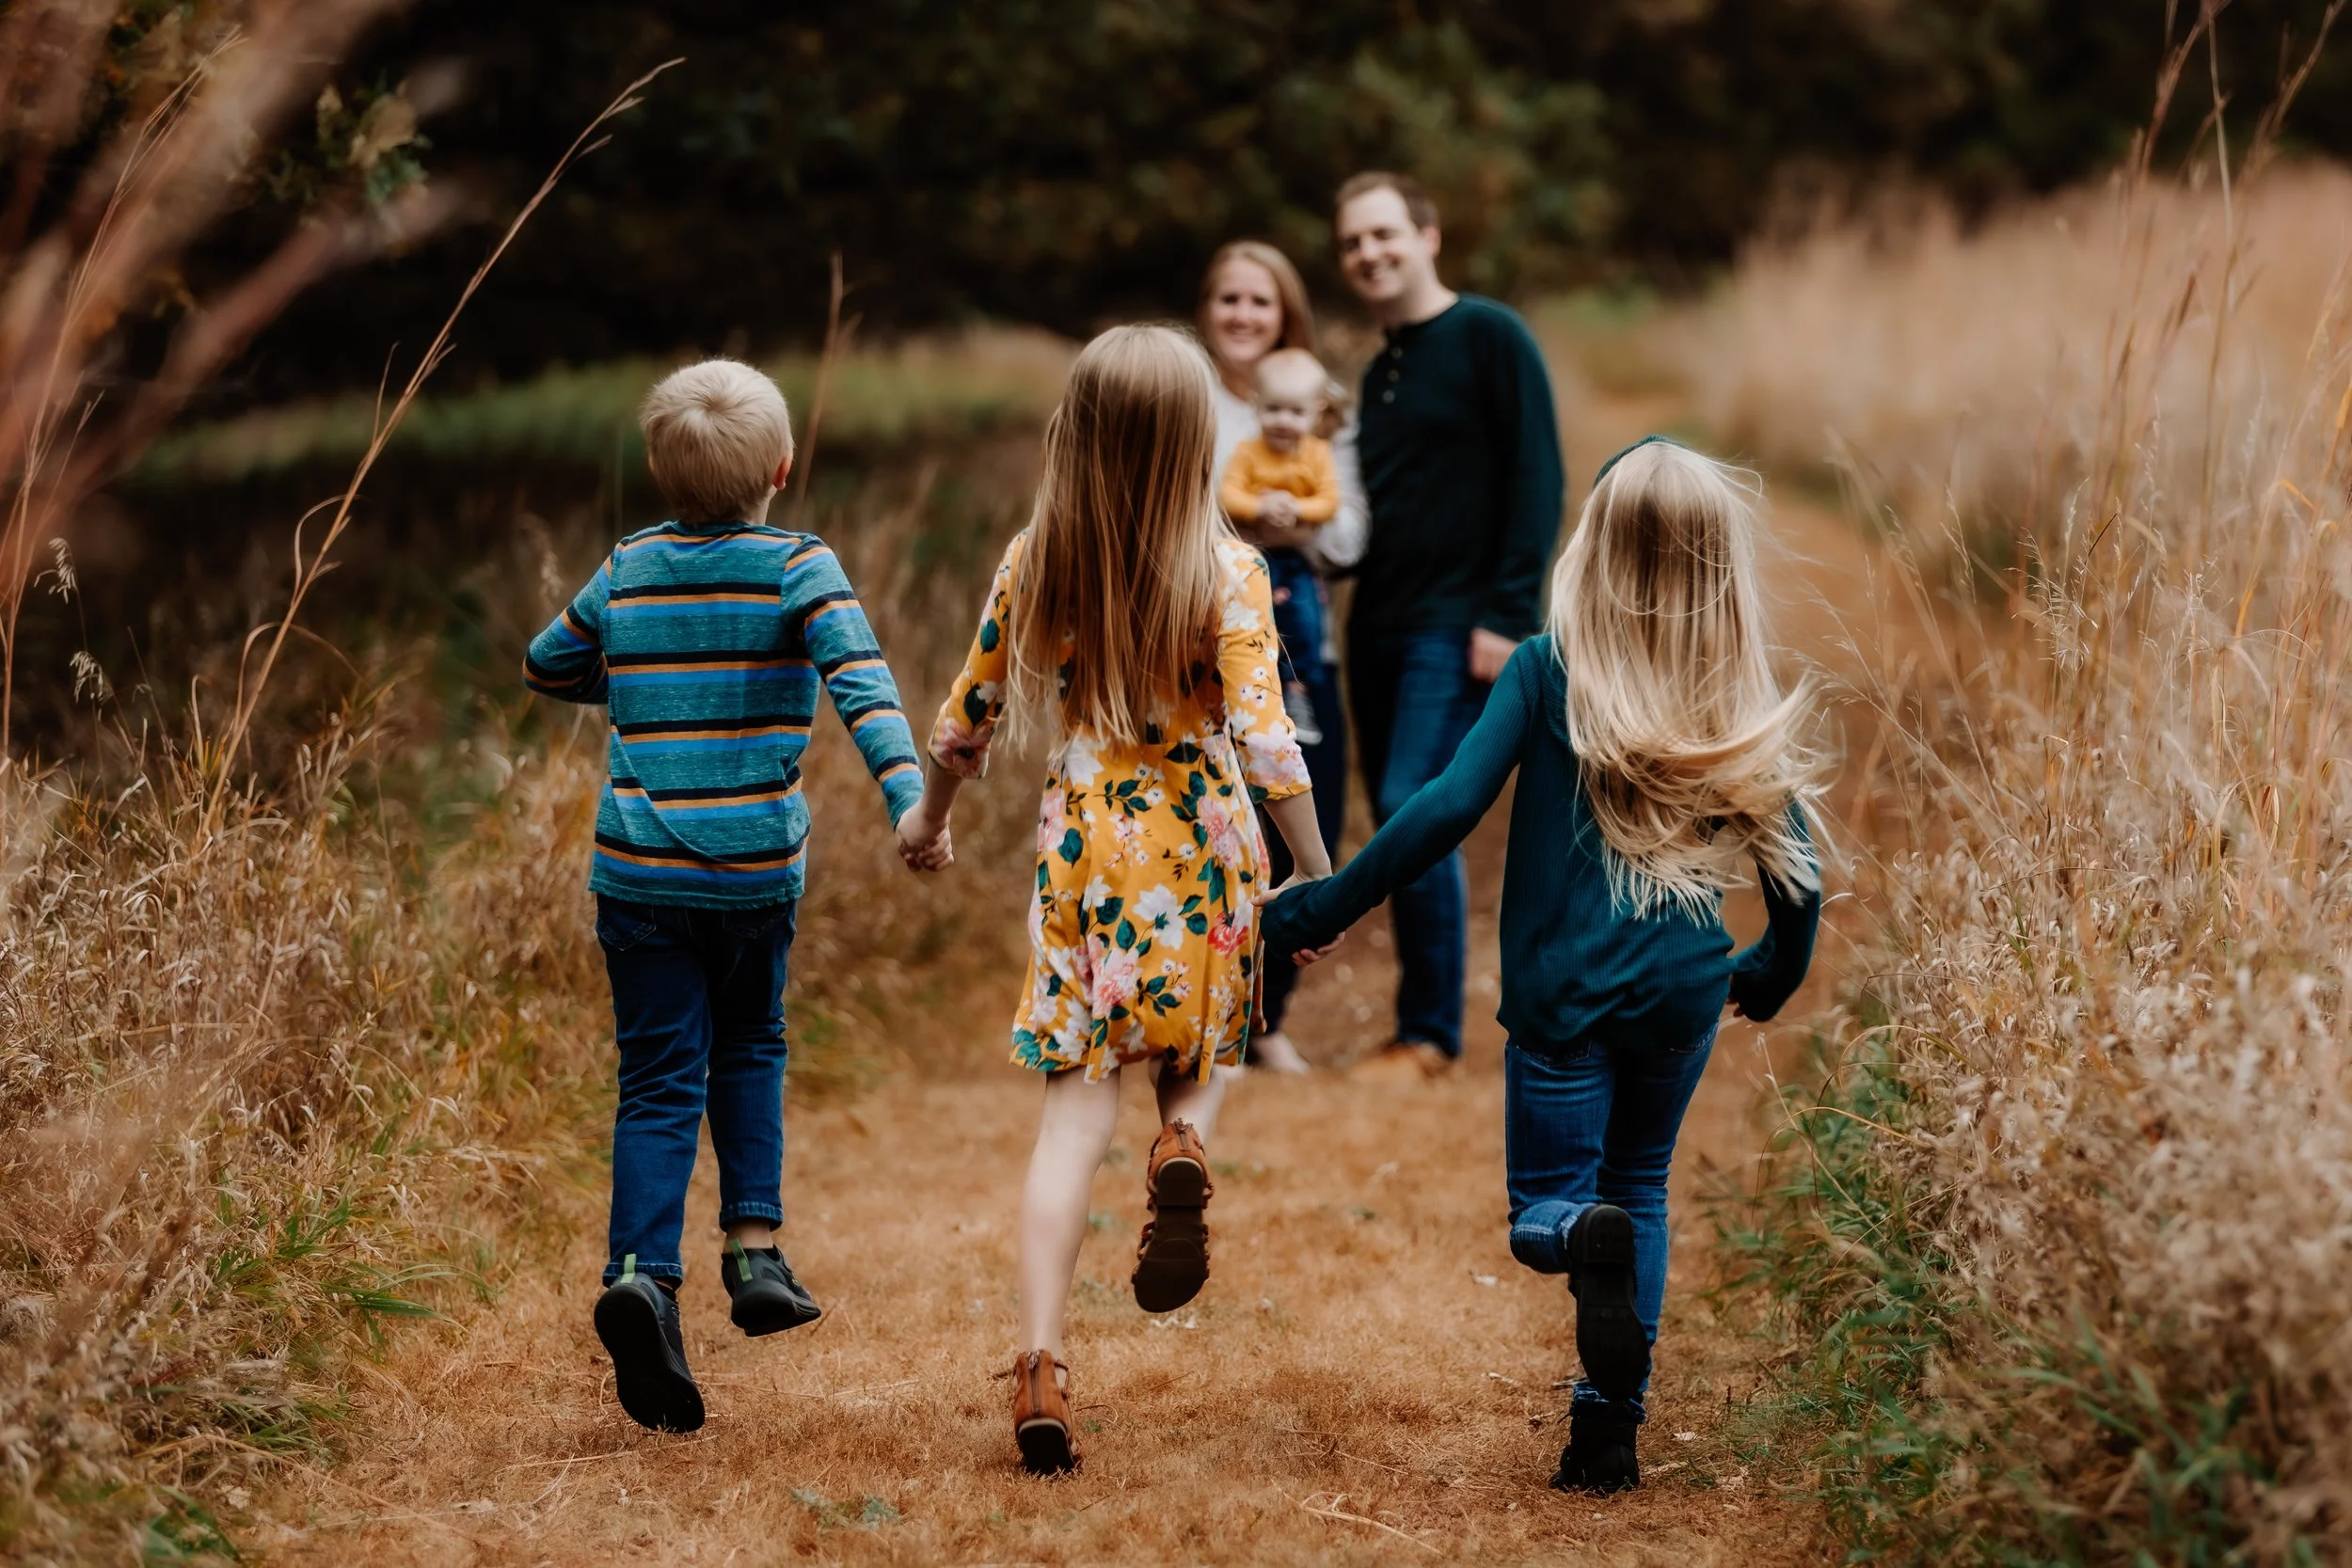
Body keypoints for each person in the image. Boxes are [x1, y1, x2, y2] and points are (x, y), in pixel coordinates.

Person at [1263, 437, 1823, 1494]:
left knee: (1548, 1214)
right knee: (1641, 1185)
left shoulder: (1546, 667)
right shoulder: (1727, 686)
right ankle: (1608, 1429)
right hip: (1683, 995)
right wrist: (1766, 975)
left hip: (1564, 997)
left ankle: (1579, 1233)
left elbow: (1442, 806)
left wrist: (1320, 904)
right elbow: (1801, 880)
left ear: (1594, 547)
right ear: (1720, 568)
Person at [895, 325, 1332, 1476]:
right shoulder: (1230, 567)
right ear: (1201, 440)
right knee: (1205, 1035)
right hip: (1202, 833)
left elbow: (964, 718)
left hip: (1089, 838)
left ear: (1075, 435)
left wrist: (926, 818)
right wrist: (1317, 867)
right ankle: (1184, 1135)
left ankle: (1040, 1364)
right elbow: (1264, 734)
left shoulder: (1037, 555)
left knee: (1071, 1115)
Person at [523, 360, 925, 1433]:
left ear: (661, 469)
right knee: (749, 1042)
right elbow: (862, 684)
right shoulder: (801, 566)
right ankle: (754, 1251)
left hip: (637, 874)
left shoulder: (629, 564)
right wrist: (909, 802)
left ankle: (641, 1276)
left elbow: (546, 664)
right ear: (782, 468)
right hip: (750, 873)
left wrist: (643, 680)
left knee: (657, 1078)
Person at [1333, 170, 1566, 1080]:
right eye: (1353, 242)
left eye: (1384, 233)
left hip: (1456, 622)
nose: (1369, 253)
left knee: (1413, 804)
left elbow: (1536, 477)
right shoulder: (1379, 370)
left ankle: (1429, 1032)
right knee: (1397, 810)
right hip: (1375, 625)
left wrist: (1509, 614)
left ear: (1428, 236)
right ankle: (1416, 1022)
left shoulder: (1490, 335)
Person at [1197, 240, 1365, 1074]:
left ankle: (1269, 1014)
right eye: (1229, 299)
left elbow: (1348, 530)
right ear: (1208, 309)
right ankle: (1206, 1003)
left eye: (1259, 302)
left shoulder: (1320, 409)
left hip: (1303, 637)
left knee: (1307, 804)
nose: (1242, 315)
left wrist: (1284, 520)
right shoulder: (1185, 398)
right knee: (1214, 817)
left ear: (1284, 314)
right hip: (1199, 641)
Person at [1218, 346, 1342, 747]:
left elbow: (1328, 501)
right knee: (1254, 623)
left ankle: (1299, 694)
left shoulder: (1318, 454)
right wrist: (1260, 506)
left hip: (1300, 561)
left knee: (1305, 621)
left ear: (1316, 411)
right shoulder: (1249, 452)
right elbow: (1229, 495)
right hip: (1254, 557)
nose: (1284, 421)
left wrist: (1297, 509)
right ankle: (1248, 696)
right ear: (1256, 406)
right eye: (1273, 410)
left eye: (1296, 412)